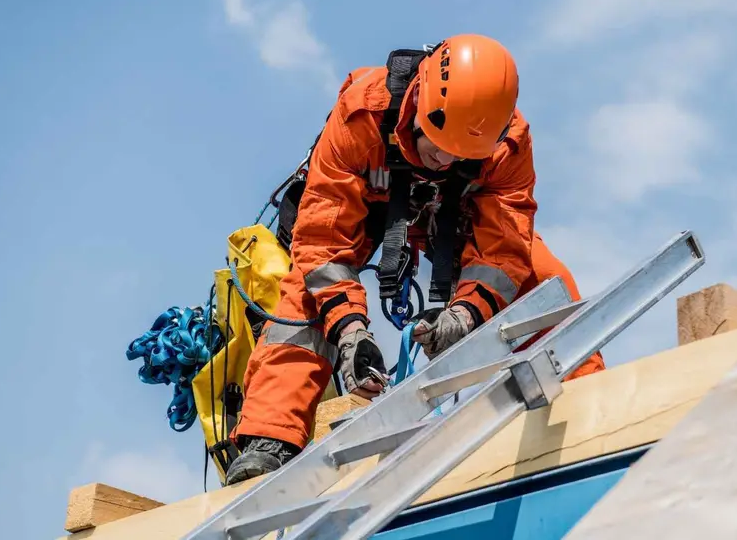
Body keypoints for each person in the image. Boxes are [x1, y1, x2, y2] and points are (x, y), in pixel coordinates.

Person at [224, 34, 605, 485]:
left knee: (541, 279)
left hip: (448, 215)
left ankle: (587, 398)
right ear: (420, 104)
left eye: (460, 154)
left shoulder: (508, 143)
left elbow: (503, 245)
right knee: (304, 300)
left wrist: (465, 314)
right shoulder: (361, 114)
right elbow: (324, 243)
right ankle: (271, 440)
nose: (444, 160)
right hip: (365, 210)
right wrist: (350, 333)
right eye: (437, 145)